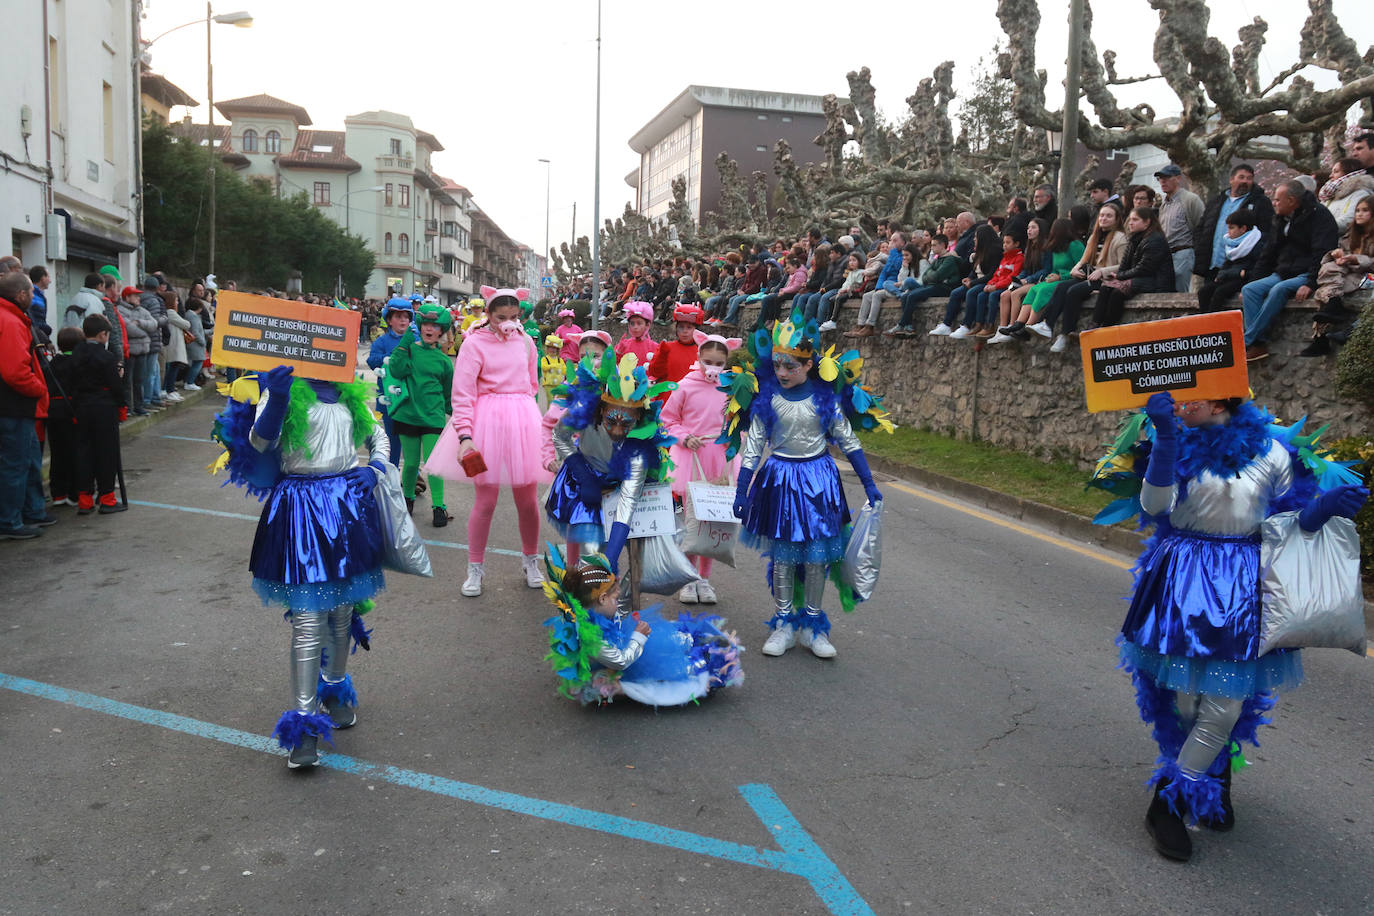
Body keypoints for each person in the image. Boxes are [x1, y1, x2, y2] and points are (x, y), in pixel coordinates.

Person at [1101, 391, 1366, 862]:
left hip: (1246, 583)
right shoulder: (1172, 439)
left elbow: (1287, 521)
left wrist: (1324, 509)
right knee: (1183, 703)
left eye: (1188, 397)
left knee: (1223, 708)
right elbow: (1156, 506)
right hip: (1182, 576)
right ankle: (1212, 771)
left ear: (1221, 397)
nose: (1178, 404)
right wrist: (1163, 438)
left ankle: (1168, 802)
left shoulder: (1273, 450)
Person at [212, 363, 395, 769]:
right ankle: (304, 724)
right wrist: (276, 396)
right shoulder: (285, 389)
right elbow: (260, 441)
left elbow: (378, 435)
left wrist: (375, 467)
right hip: (301, 508)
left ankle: (334, 687)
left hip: (348, 506)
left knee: (344, 611)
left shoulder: (348, 392)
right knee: (310, 619)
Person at [729, 310, 889, 659]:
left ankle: (813, 627)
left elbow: (849, 441)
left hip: (819, 482)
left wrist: (869, 483)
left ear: (809, 365)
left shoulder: (824, 400)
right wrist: (742, 490)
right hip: (780, 482)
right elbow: (754, 445)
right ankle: (784, 623)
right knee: (784, 557)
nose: (783, 373)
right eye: (778, 365)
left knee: (817, 557)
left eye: (792, 366)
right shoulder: (766, 399)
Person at [426, 287, 550, 596]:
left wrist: (526, 414)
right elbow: (463, 394)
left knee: (527, 501)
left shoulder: (526, 341)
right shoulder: (474, 343)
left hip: (522, 419)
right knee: (486, 500)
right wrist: (465, 436)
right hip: (487, 422)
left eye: (513, 316)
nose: (507, 322)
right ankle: (474, 568)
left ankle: (530, 561)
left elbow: (532, 385)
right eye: (500, 317)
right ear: (489, 314)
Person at [540, 551, 744, 707]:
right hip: (624, 662)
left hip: (620, 645)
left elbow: (617, 624)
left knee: (670, 636)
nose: (618, 599)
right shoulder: (592, 640)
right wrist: (638, 637)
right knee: (678, 666)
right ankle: (703, 663)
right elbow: (620, 661)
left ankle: (692, 641)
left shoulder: (592, 613)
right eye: (614, 597)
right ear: (601, 599)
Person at [544, 351, 676, 580]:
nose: (616, 430)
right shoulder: (583, 412)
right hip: (583, 479)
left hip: (619, 486)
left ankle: (610, 598)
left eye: (626, 423)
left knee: (608, 557)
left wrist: (611, 558)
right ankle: (584, 600)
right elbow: (559, 437)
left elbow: (628, 501)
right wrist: (583, 474)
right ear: (601, 410)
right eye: (610, 421)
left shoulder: (639, 448)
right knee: (592, 551)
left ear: (637, 418)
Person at [661, 332, 741, 605]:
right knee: (690, 520)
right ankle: (687, 577)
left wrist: (734, 434)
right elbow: (668, 419)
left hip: (719, 458)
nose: (713, 368)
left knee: (714, 520)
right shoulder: (685, 385)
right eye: (708, 361)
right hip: (690, 457)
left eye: (719, 363)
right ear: (698, 357)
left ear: (727, 361)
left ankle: (704, 579)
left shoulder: (731, 387)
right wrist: (684, 436)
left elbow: (738, 421)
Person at [1240, 179, 1341, 361]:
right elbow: (1268, 253)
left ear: (1292, 201)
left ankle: (1246, 340)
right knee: (1250, 290)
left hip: (1307, 272)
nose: (1274, 203)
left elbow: (1322, 252)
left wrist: (1311, 283)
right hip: (1283, 271)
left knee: (1279, 290)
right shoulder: (1280, 219)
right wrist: (1253, 279)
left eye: (1278, 200)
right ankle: (1258, 344)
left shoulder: (1319, 216)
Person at [384, 301, 454, 528]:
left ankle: (439, 507)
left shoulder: (444, 362)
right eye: (426, 324)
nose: (430, 329)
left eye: (435, 326)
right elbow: (395, 369)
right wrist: (405, 340)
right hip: (407, 415)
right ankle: (408, 500)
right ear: (420, 325)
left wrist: (461, 419)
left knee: (433, 464)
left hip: (433, 417)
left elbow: (448, 395)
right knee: (412, 463)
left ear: (441, 331)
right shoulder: (409, 350)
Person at [0, 271, 52, 539]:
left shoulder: (11, 317)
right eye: (31, 292)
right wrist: (38, 388)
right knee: (15, 464)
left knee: (25, 460)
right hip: (13, 405)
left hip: (14, 405)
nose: (34, 297)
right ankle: (9, 521)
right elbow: (14, 371)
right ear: (20, 295)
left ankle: (30, 510)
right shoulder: (9, 321)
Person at [1042, 202, 1128, 352]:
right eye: (1102, 215)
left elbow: (1123, 266)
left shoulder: (1120, 238)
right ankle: (1047, 324)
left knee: (1074, 291)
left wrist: (1103, 272)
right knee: (1062, 286)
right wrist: (1075, 269)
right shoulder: (1094, 237)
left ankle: (1065, 333)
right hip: (1090, 274)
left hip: (1107, 279)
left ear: (1116, 219)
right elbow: (1084, 260)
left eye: (1109, 216)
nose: (1104, 218)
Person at [1301, 196, 1374, 356]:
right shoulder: (1351, 233)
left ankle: (1321, 338)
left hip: (1365, 275)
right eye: (1357, 211)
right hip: (1347, 272)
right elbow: (1340, 253)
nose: (1359, 214)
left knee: (1327, 291)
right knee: (1329, 268)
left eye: (1365, 211)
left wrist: (1356, 259)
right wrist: (1336, 254)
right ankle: (1330, 312)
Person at [70, 314, 127, 515]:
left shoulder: (76, 354)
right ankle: (107, 498)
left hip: (81, 407)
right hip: (104, 407)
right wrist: (122, 404)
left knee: (83, 452)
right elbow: (115, 386)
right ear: (103, 335)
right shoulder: (106, 356)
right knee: (106, 453)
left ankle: (84, 500)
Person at [1087, 206, 1174, 327]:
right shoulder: (1134, 239)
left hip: (1156, 281)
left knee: (1118, 292)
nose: (1131, 223)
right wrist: (1120, 275)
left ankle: (1107, 326)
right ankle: (1094, 325)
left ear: (1147, 222)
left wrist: (1120, 275)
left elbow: (1145, 268)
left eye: (1135, 220)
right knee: (1106, 287)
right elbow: (1124, 264)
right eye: (1130, 219)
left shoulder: (1155, 240)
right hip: (1139, 278)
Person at [999, 218, 1085, 340]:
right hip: (1056, 279)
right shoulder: (1057, 248)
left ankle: (1030, 325)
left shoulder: (1075, 245)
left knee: (1043, 290)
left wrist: (1060, 276)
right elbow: (1054, 269)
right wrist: (1052, 276)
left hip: (1070, 279)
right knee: (1035, 289)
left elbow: (1081, 268)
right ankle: (1019, 323)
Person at [1193, 164, 1275, 288]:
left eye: (1249, 178)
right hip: (1212, 265)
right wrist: (1200, 247)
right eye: (1241, 177)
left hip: (1238, 268)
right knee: (1207, 297)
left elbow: (1267, 233)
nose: (1245, 181)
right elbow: (1201, 228)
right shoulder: (1217, 201)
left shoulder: (1261, 202)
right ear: (1231, 179)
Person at [890, 235, 966, 336]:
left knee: (912, 296)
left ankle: (901, 324)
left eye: (934, 245)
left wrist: (932, 276)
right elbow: (926, 277)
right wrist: (932, 276)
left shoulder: (949, 260)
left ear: (943, 245)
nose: (932, 248)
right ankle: (908, 327)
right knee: (905, 296)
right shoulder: (938, 259)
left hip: (945, 288)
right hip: (934, 285)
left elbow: (937, 276)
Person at [1196, 209, 1263, 313]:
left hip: (1244, 279)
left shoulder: (1256, 243)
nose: (1228, 232)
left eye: (1232, 228)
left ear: (1243, 229)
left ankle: (1214, 322)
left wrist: (1242, 274)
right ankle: (1204, 321)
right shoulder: (1232, 244)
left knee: (1220, 292)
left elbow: (1257, 268)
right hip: (1230, 276)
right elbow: (1227, 263)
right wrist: (1221, 274)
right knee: (1204, 291)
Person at [45, 327, 83, 507]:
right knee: (76, 452)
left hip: (53, 413)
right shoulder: (79, 363)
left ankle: (58, 493)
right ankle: (74, 493)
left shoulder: (51, 364)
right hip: (73, 412)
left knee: (57, 453)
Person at [943, 225, 1003, 339]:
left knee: (972, 293)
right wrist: (970, 278)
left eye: (976, 237)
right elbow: (975, 269)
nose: (974, 239)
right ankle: (946, 324)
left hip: (988, 281)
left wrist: (973, 283)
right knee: (955, 293)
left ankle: (968, 324)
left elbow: (991, 274)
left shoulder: (995, 251)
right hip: (977, 280)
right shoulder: (980, 251)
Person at [1155, 164, 1205, 292]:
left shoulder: (1190, 199)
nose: (1162, 181)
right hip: (1166, 254)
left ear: (1178, 178)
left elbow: (1201, 227)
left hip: (1184, 251)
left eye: (1166, 177)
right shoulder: (1163, 205)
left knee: (1180, 292)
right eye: (1160, 178)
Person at [849, 232, 908, 337]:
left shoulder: (904, 255)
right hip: (885, 286)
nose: (892, 243)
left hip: (896, 285)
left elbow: (898, 266)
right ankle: (860, 325)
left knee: (877, 295)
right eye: (891, 240)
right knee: (867, 296)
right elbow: (884, 273)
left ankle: (870, 326)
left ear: (903, 243)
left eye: (895, 241)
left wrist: (893, 251)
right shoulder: (892, 256)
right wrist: (878, 287)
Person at [115, 286, 156, 416]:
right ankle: (127, 407)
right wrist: (145, 333)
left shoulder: (142, 311)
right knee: (127, 381)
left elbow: (154, 324)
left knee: (140, 380)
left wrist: (139, 322)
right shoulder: (120, 310)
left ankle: (139, 406)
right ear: (127, 297)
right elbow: (128, 328)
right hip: (130, 351)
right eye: (135, 295)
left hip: (143, 351)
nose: (139, 298)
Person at [647, 303, 704, 388]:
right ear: (676, 329)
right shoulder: (667, 347)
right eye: (681, 327)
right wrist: (662, 355)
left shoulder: (702, 351)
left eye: (689, 327)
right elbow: (654, 372)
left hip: (690, 396)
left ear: (696, 330)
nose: (685, 331)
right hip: (669, 395)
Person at [1318, 156, 1374, 233]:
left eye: (1336, 171)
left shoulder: (1361, 194)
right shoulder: (1330, 195)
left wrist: (1320, 227)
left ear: (1349, 173)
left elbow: (1349, 220)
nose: (1330, 176)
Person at [138, 277, 168, 411]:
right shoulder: (154, 301)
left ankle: (154, 397)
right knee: (151, 372)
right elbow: (155, 322)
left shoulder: (139, 299)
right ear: (157, 288)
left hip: (141, 339)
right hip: (153, 339)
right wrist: (165, 319)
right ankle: (148, 400)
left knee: (152, 370)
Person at [162, 304, 193, 402]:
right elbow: (186, 324)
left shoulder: (170, 313)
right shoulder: (170, 312)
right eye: (175, 300)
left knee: (173, 367)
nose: (177, 302)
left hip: (174, 344)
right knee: (172, 367)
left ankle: (170, 389)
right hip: (173, 344)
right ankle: (169, 390)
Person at [539, 333, 565, 409]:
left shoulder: (560, 360)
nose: (552, 350)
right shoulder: (545, 359)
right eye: (550, 348)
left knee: (557, 401)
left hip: (558, 384)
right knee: (550, 400)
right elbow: (544, 367)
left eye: (554, 348)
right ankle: (549, 415)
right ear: (547, 349)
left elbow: (564, 371)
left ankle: (555, 415)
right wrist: (553, 366)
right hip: (548, 384)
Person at [28, 266, 52, 339]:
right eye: (48, 277)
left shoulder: (39, 295)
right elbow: (36, 321)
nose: (50, 281)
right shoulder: (34, 297)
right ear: (43, 278)